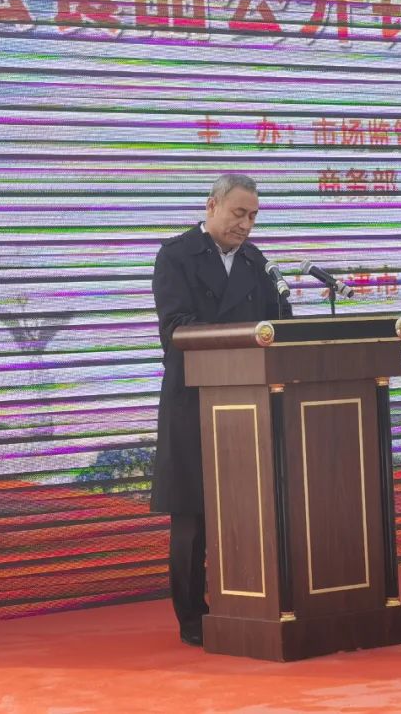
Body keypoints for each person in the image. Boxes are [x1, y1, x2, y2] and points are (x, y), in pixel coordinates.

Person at [150, 173, 292, 646]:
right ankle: (192, 618)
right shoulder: (176, 255)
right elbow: (176, 328)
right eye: (238, 213)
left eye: (253, 216)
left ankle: (248, 601)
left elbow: (280, 327)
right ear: (212, 206)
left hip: (250, 407)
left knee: (248, 511)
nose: (246, 225)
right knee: (192, 518)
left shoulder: (257, 263)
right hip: (194, 403)